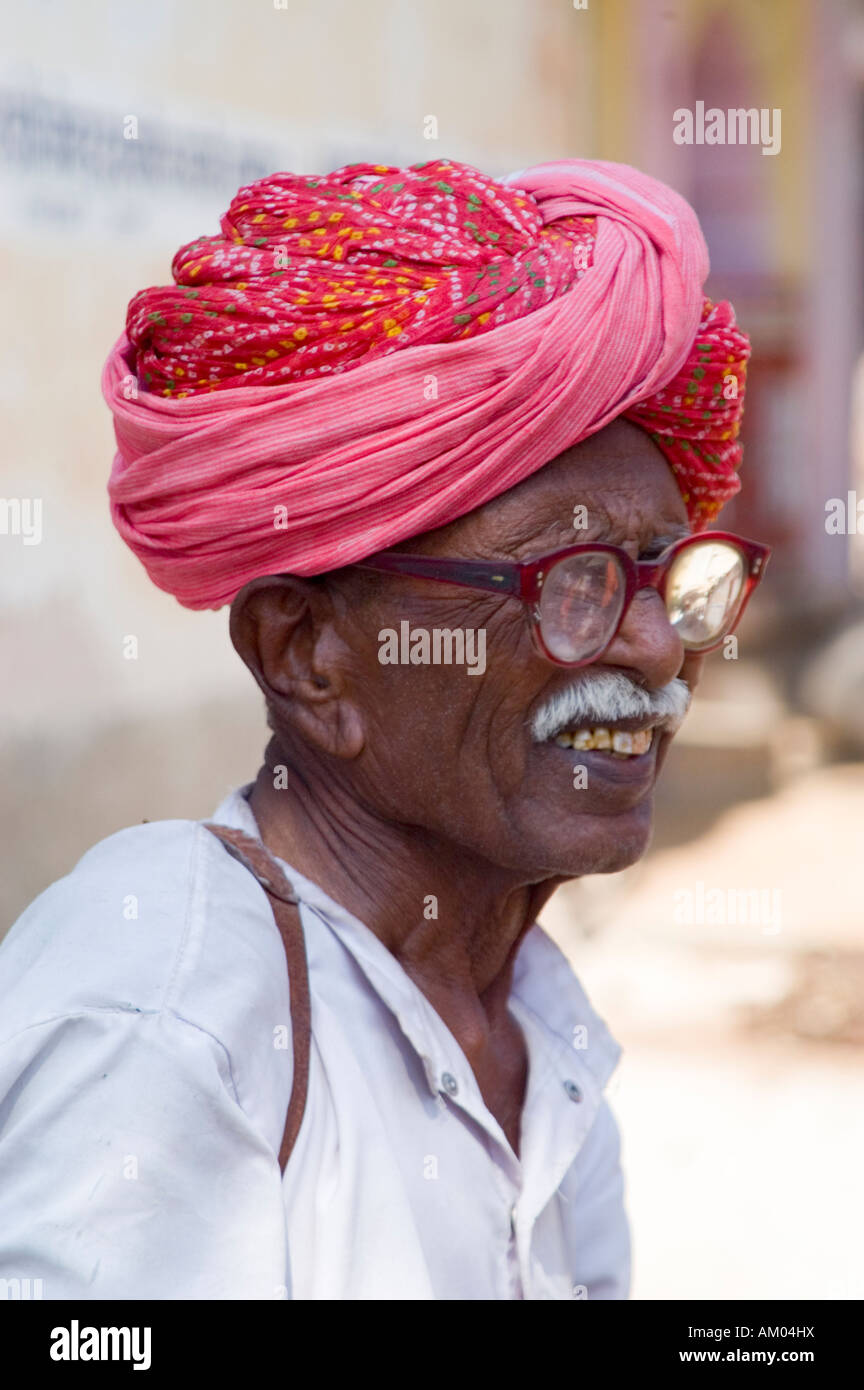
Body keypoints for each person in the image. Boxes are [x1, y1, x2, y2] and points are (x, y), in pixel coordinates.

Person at [0, 158, 768, 1300]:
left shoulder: (538, 1022)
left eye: (674, 576)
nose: (659, 648)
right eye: (574, 582)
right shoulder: (164, 1010)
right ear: (307, 656)